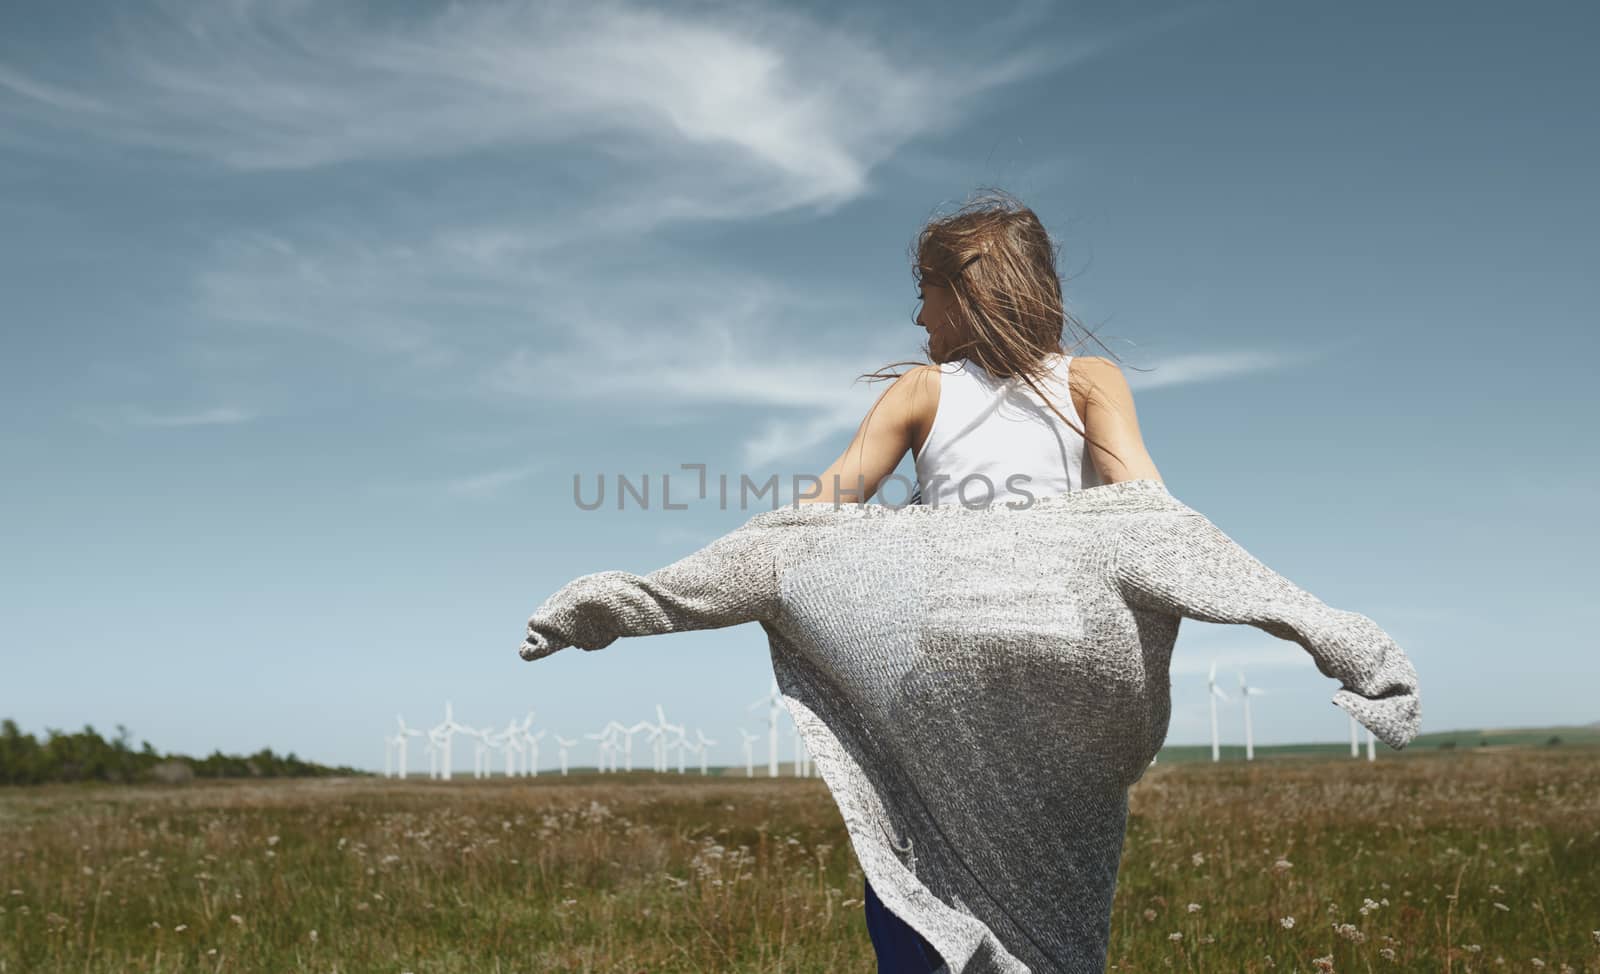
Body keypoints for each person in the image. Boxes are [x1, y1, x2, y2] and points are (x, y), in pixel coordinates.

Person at [796, 190, 1160, 972]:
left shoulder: (921, 390)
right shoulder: (1091, 382)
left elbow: (812, 517)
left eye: (925, 294)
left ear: (964, 293)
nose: (920, 320)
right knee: (1052, 904)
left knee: (919, 888)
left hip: (945, 676)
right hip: (1062, 673)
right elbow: (1147, 511)